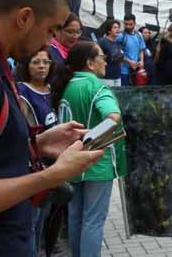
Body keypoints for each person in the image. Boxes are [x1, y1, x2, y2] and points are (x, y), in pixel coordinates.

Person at [0, 0, 105, 256]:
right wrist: (52, 176)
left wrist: (38, 143)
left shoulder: (1, 66)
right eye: (52, 29)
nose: (51, 42)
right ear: (25, 17)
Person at [52, 42, 126, 257]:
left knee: (76, 217)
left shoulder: (66, 85)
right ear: (90, 63)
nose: (106, 60)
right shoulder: (96, 87)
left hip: (71, 160)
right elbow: (113, 118)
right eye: (102, 56)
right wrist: (90, 137)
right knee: (93, 220)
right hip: (96, 161)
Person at [16, 49, 58, 257]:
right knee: (32, 222)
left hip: (52, 165)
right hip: (32, 167)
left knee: (44, 219)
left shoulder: (52, 89)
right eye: (36, 62)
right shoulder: (22, 92)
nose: (41, 66)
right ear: (26, 65)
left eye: (45, 62)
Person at [48, 13, 83, 85]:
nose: (75, 36)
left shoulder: (78, 52)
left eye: (78, 32)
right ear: (56, 30)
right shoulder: (48, 52)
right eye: (70, 32)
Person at [115, 14, 145, 86]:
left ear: (135, 23)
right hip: (123, 71)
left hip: (136, 71)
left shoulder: (139, 35)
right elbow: (115, 52)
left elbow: (141, 49)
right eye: (126, 24)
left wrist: (141, 61)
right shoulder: (120, 35)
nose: (128, 26)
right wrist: (129, 61)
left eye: (130, 24)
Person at [97, 20, 124, 86]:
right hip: (106, 78)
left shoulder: (118, 43)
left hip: (117, 77)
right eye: (114, 28)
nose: (117, 29)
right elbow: (95, 56)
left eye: (118, 27)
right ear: (109, 31)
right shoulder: (102, 42)